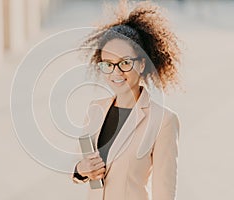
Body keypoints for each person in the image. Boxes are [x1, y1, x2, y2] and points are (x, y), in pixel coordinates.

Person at [71, 1, 182, 200]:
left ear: (141, 64)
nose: (116, 72)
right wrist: (80, 170)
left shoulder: (164, 121)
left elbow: (164, 193)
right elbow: (83, 167)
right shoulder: (95, 109)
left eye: (124, 63)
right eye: (108, 64)